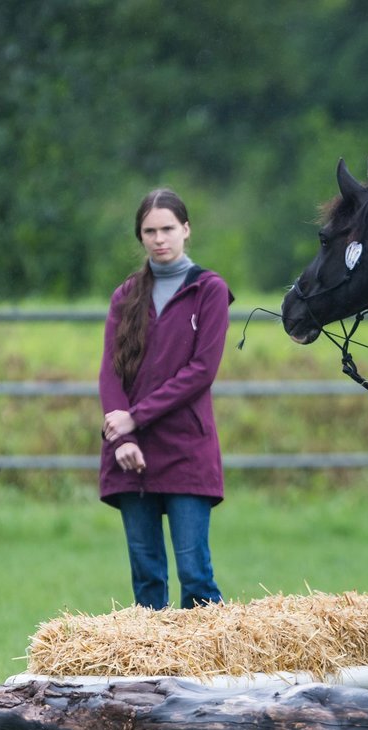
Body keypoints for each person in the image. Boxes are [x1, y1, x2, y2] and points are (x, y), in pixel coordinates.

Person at [98, 188, 233, 610]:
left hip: (186, 449)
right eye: (150, 231)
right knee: (146, 575)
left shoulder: (208, 290)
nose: (159, 238)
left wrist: (134, 418)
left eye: (168, 229)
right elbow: (110, 372)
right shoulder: (126, 295)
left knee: (195, 572)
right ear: (140, 236)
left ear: (186, 230)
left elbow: (201, 371)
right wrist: (122, 440)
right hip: (131, 455)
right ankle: (152, 675)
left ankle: (213, 673)